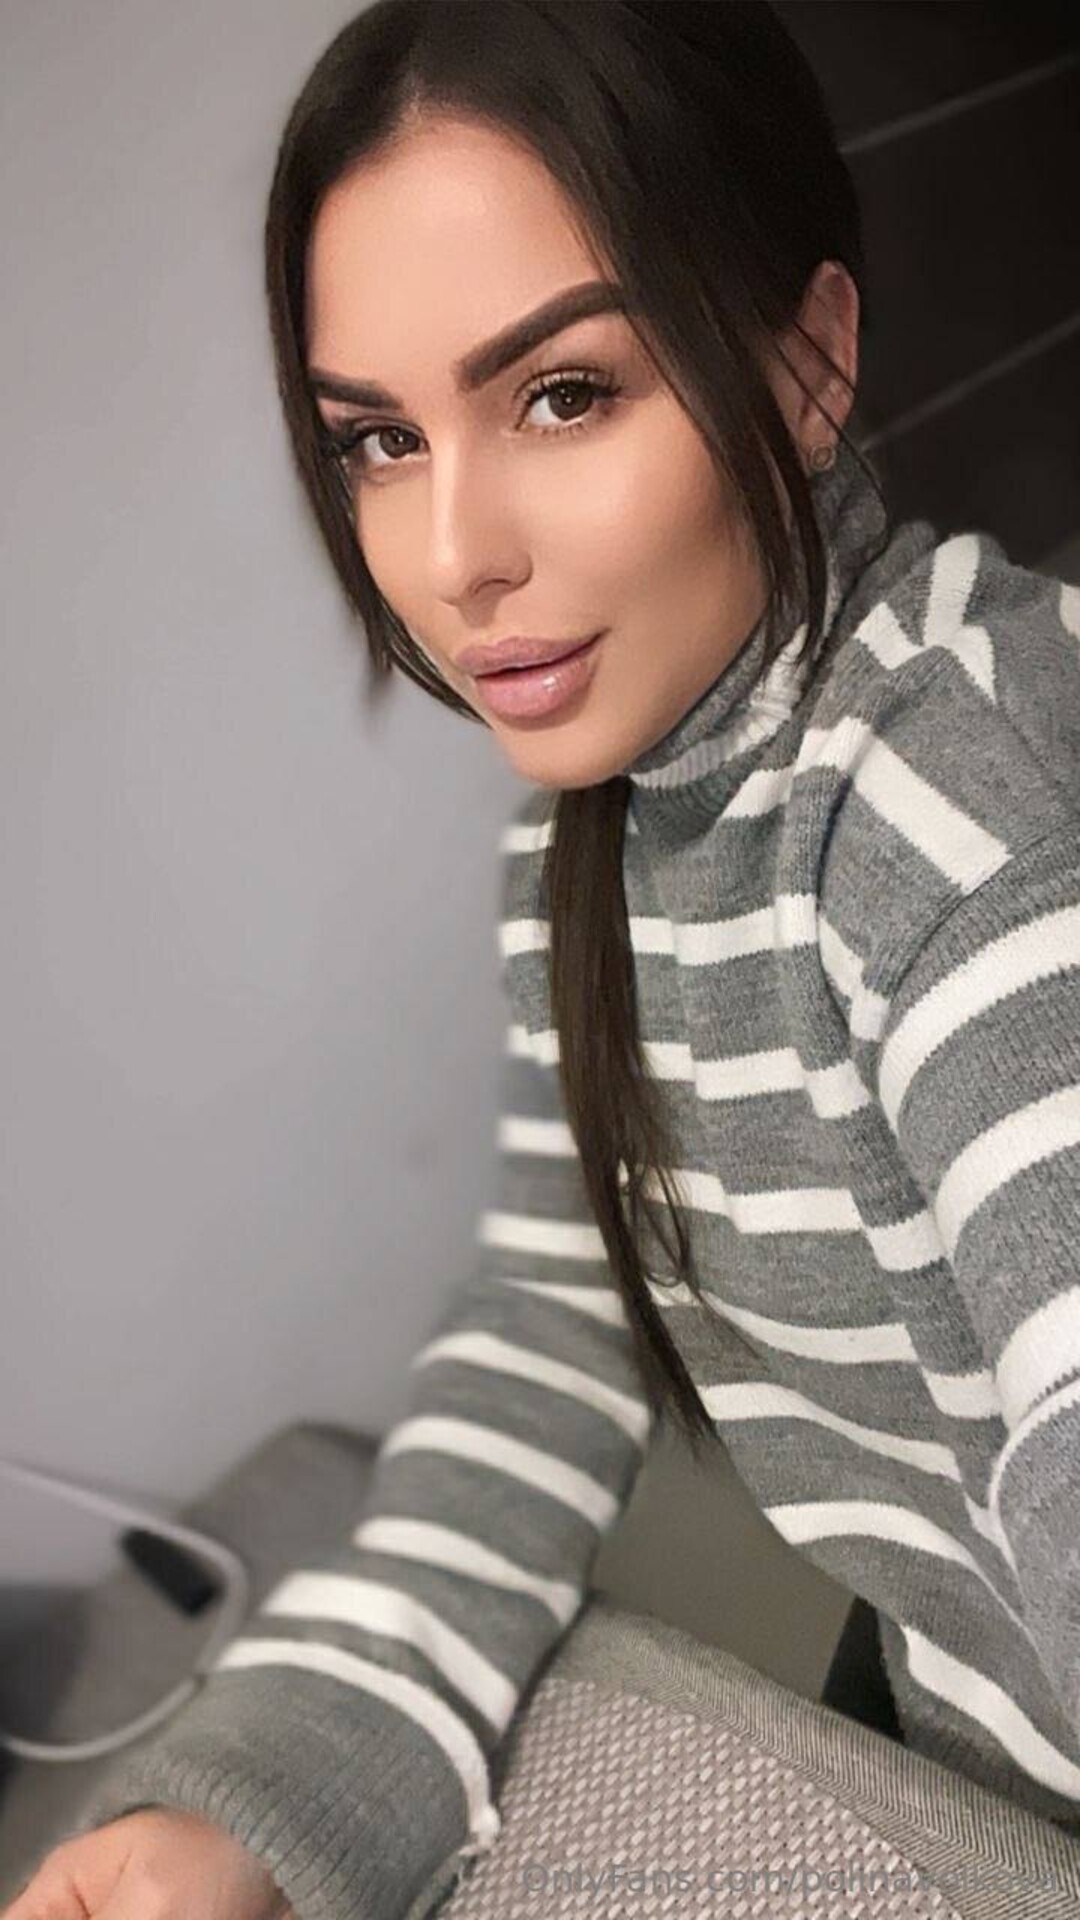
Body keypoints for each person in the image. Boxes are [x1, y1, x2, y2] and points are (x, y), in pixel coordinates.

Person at [8, 2, 1080, 1917]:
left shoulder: (966, 811)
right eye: (379, 438)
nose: (452, 557)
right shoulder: (603, 835)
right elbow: (547, 1333)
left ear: (811, 360)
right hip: (960, 1726)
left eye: (564, 394)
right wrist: (264, 1797)